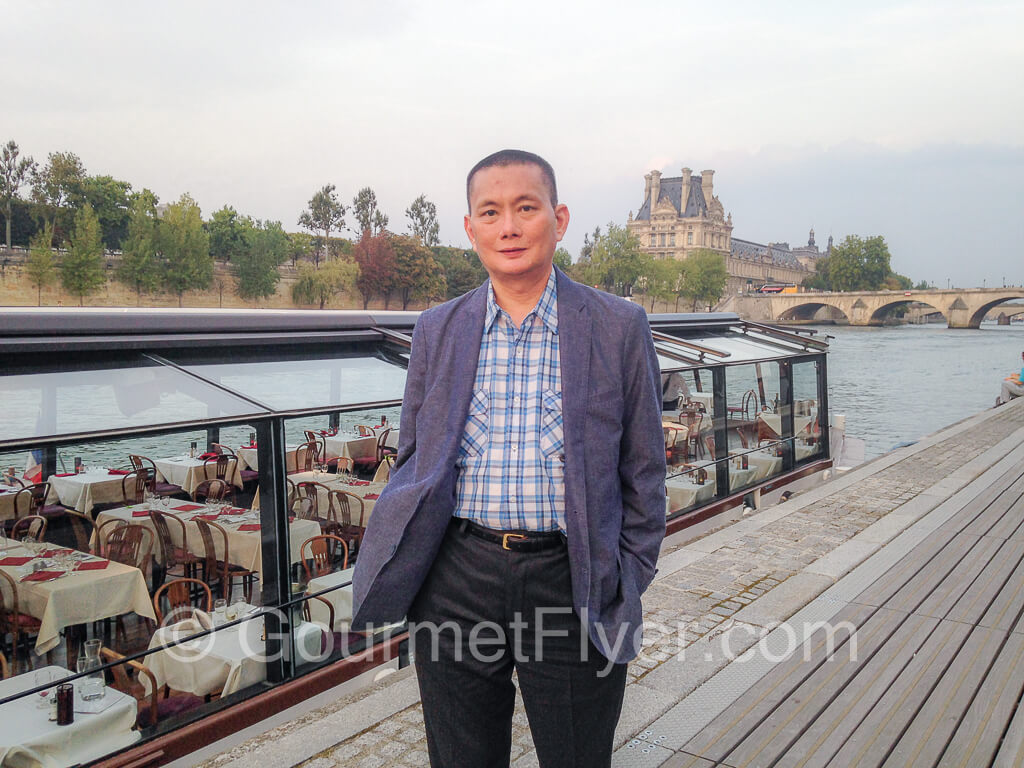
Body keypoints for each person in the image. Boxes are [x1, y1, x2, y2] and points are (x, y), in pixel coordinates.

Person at [352, 149, 667, 767]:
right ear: (470, 230)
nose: (509, 227)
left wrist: (626, 574)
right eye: (490, 212)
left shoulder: (617, 326)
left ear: (560, 217)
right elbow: (417, 453)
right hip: (456, 575)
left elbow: (644, 471)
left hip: (570, 578)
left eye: (527, 207)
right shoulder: (437, 328)